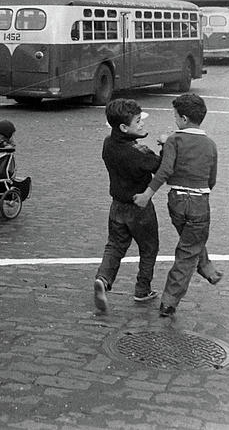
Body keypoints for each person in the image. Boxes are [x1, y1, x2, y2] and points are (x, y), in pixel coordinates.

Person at [133, 93, 221, 318]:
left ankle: (207, 269)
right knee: (189, 248)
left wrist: (147, 195)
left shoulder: (174, 140)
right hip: (200, 202)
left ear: (182, 119)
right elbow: (212, 179)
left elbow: (165, 170)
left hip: (177, 201)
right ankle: (170, 301)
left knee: (190, 242)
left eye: (175, 117)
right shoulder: (210, 145)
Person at [93, 99, 163, 313]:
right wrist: (166, 145)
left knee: (114, 245)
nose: (142, 124)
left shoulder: (108, 143)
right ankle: (142, 289)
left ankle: (103, 279)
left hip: (117, 206)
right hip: (139, 208)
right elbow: (160, 166)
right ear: (124, 127)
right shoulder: (137, 152)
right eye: (138, 121)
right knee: (149, 248)